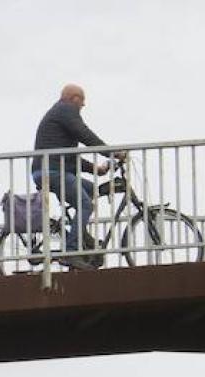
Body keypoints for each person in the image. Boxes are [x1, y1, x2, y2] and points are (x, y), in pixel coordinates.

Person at [31, 84, 124, 267]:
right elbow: (86, 135)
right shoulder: (66, 110)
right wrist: (113, 153)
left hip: (55, 169)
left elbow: (71, 156)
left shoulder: (59, 114)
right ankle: (72, 251)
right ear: (75, 99)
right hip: (53, 172)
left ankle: (85, 239)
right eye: (82, 102)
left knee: (92, 191)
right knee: (85, 205)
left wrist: (96, 169)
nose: (84, 106)